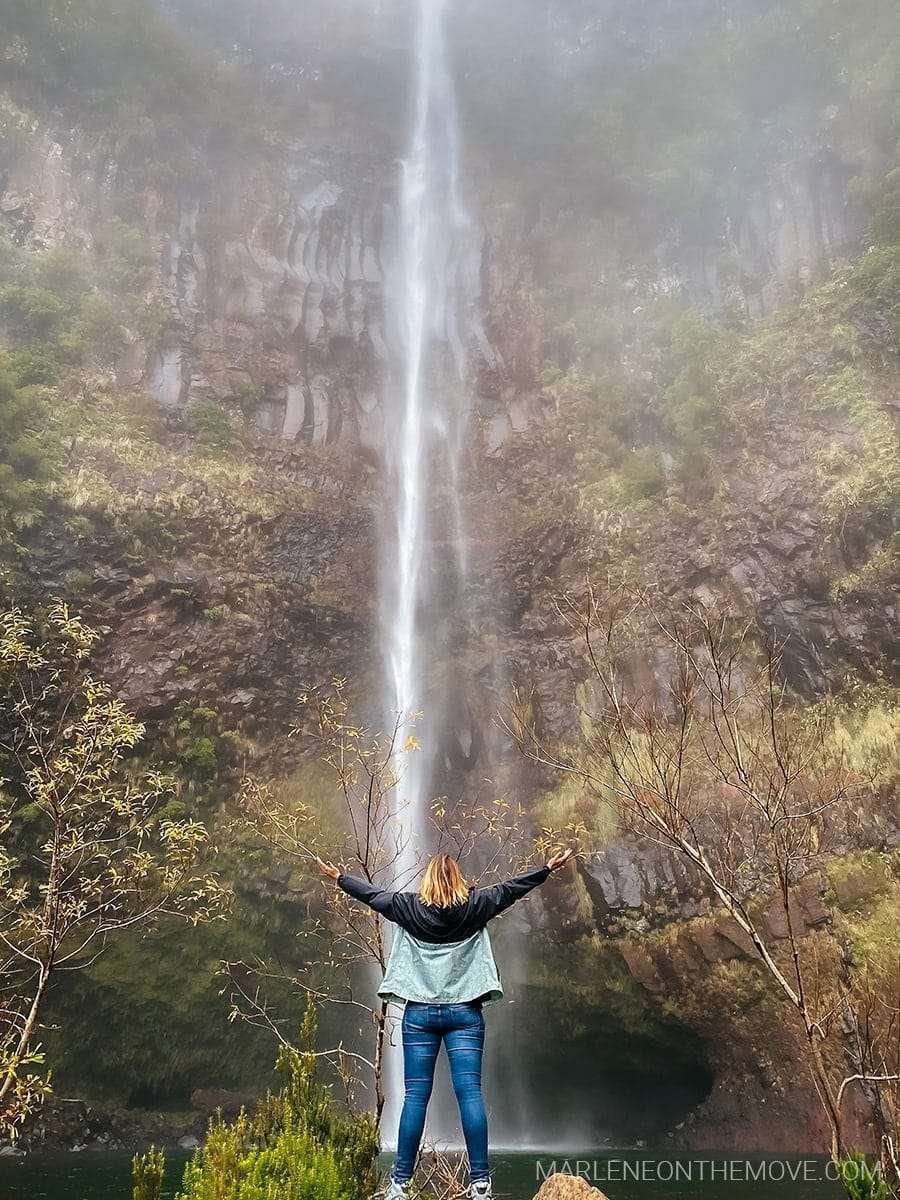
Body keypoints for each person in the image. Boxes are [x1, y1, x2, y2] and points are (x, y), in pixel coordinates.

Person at [317, 847, 575, 1200]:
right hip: (464, 1015)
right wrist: (546, 868)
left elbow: (373, 896)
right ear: (458, 881)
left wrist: (339, 878)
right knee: (469, 1093)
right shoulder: (477, 905)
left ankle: (399, 1186)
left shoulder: (407, 908)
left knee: (414, 1098)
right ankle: (480, 1184)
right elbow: (513, 888)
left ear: (427, 880)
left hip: (420, 1015)